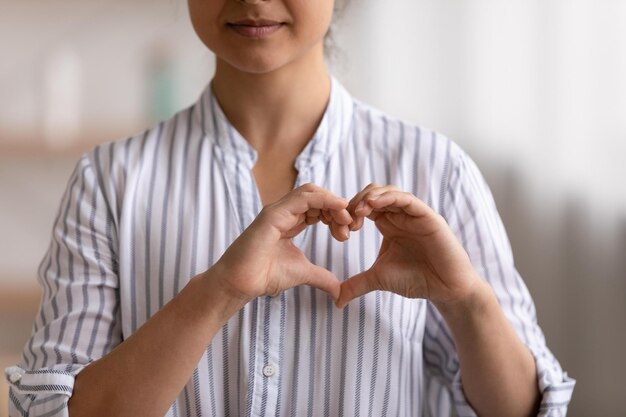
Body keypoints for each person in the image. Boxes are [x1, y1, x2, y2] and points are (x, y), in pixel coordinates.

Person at [5, 0, 575, 416]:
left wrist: (467, 302)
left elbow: (525, 409)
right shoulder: (109, 181)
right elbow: (52, 412)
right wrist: (218, 291)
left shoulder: (438, 168)